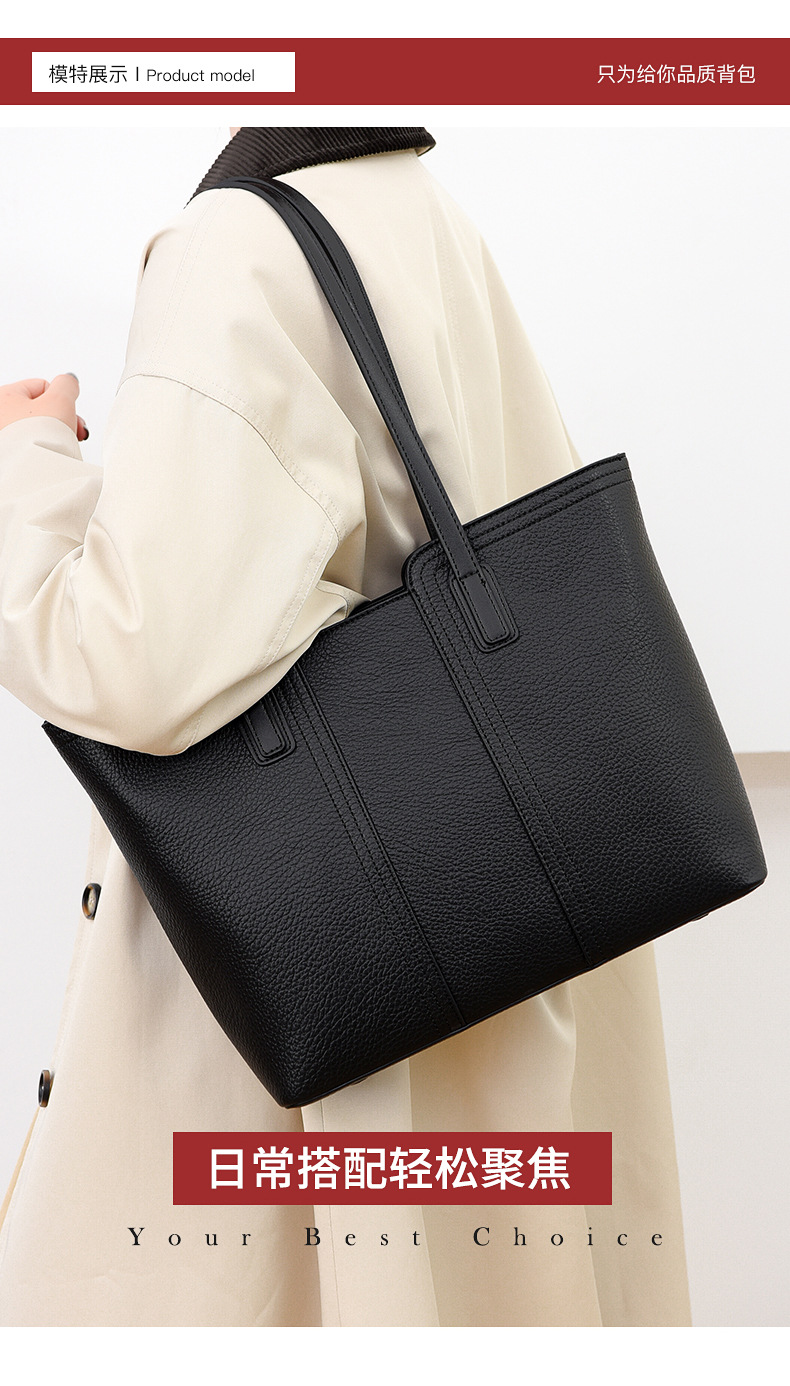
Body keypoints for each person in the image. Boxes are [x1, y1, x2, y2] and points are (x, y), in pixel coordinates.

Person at [0, 126, 692, 1327]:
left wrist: (27, 461)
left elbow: (130, 662)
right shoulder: (413, 202)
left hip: (314, 1015)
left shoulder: (236, 245)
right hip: (480, 957)